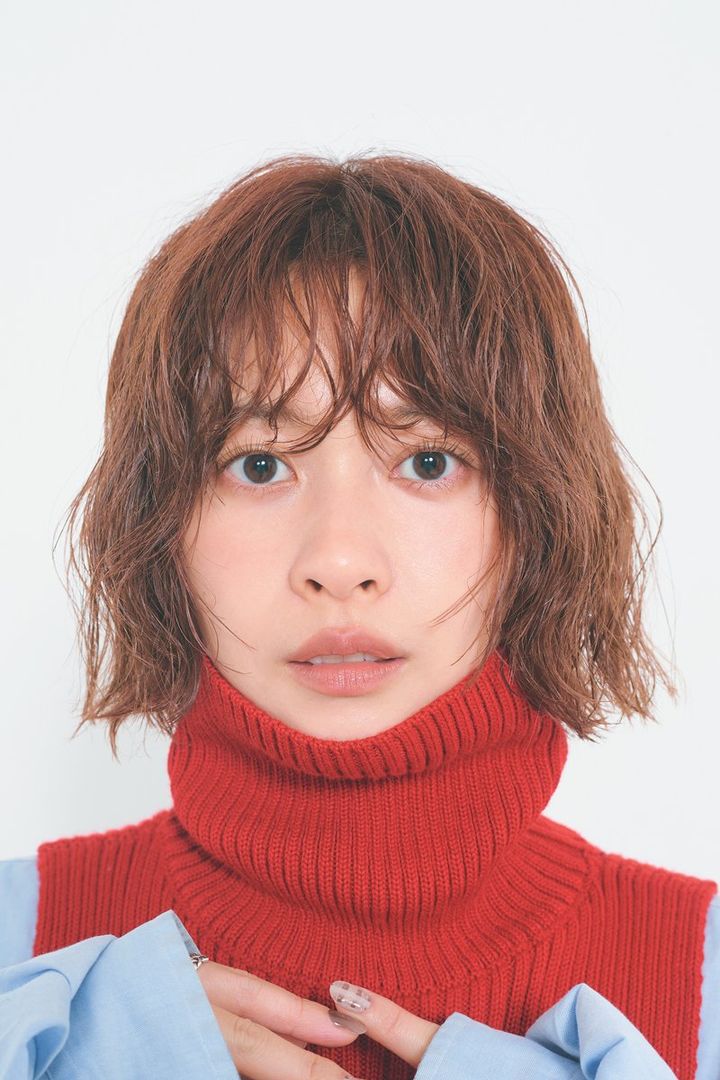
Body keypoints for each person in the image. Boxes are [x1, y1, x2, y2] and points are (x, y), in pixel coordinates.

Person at [1, 153, 717, 1080]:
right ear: (159, 525)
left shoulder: (703, 977)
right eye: (259, 464)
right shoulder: (21, 960)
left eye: (428, 461)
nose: (339, 562)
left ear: (539, 517)